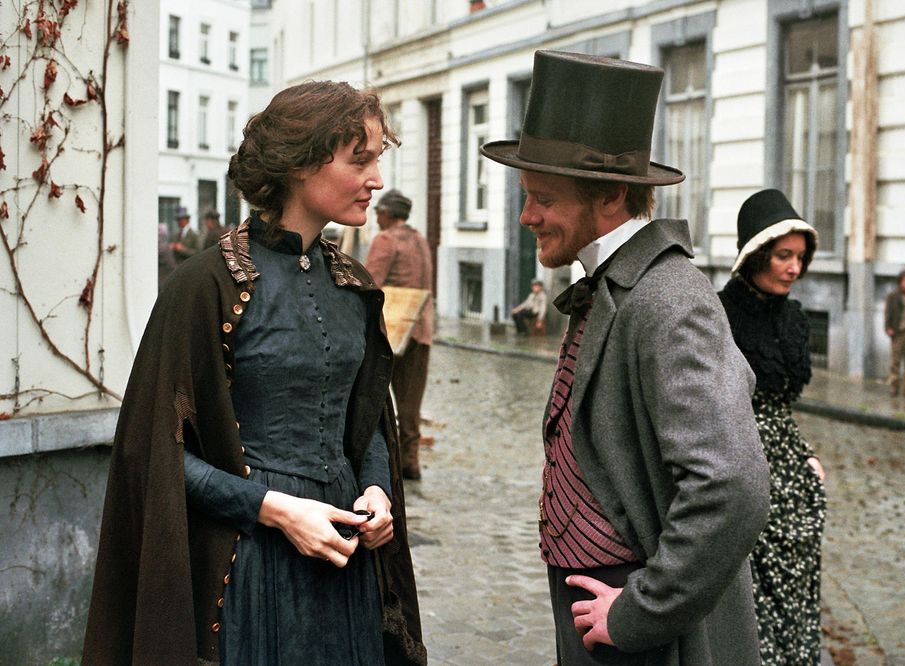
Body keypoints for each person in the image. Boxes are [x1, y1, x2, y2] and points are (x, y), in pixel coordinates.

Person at [83, 81, 426, 665]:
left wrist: (377, 490)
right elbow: (154, 452)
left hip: (346, 561)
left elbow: (366, 419)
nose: (376, 179)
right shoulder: (205, 285)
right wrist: (276, 509)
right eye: (359, 160)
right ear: (300, 164)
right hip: (250, 564)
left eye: (376, 160)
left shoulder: (355, 286)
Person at [481, 50, 770, 665]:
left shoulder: (670, 299)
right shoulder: (616, 284)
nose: (527, 216)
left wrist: (641, 611)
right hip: (596, 605)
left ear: (612, 195)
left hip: (639, 628)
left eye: (543, 198)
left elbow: (734, 486)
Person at [718, 188, 827, 665]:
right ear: (757, 253)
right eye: (784, 256)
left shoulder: (795, 319)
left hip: (787, 462)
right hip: (738, 456)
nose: (794, 268)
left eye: (800, 258)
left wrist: (806, 454)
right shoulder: (720, 315)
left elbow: (781, 408)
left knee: (797, 576)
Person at [365, 189, 434, 481]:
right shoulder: (420, 239)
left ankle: (382, 464)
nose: (376, 218)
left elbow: (369, 285)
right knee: (410, 405)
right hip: (421, 329)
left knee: (372, 398)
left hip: (391, 331)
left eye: (378, 212)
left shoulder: (386, 240)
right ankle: (410, 462)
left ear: (387, 213)